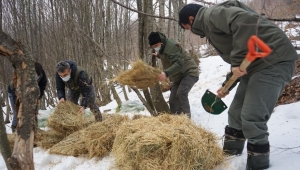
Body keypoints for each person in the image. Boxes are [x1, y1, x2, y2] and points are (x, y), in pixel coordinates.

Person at [179, 1, 299, 170]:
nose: (190, 31)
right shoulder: (211, 21)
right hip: (255, 65)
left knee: (252, 116)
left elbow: (246, 22)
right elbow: (241, 56)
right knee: (236, 113)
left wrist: (236, 61)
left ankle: (258, 164)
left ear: (191, 19)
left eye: (187, 28)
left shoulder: (211, 15)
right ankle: (229, 158)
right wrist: (227, 85)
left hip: (273, 60)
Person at [148, 31, 199, 118]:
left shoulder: (171, 46)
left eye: (156, 46)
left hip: (189, 72)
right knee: (172, 100)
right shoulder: (162, 47)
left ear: (161, 41)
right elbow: (167, 55)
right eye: (153, 47)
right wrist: (158, 55)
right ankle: (176, 120)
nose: (155, 48)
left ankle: (187, 121)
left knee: (181, 94)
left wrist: (166, 73)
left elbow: (179, 63)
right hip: (178, 76)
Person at [11, 61, 47, 132]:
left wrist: (38, 97)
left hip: (33, 94)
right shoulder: (22, 73)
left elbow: (42, 86)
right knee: (18, 113)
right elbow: (17, 87)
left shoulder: (41, 74)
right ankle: (15, 130)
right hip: (15, 92)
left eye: (37, 76)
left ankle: (33, 130)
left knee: (33, 112)